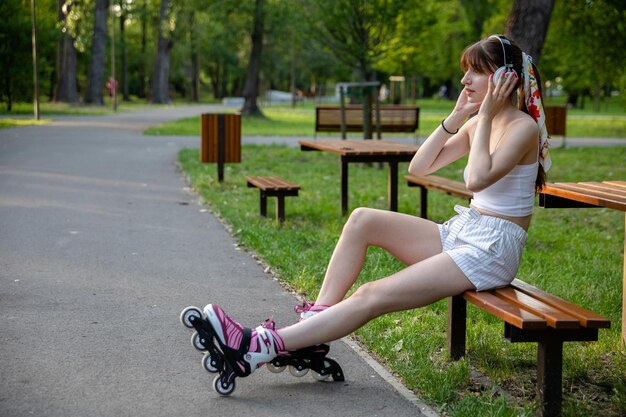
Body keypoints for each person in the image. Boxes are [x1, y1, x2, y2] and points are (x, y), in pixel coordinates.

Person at [201, 35, 552, 380]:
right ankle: (312, 329)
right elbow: (420, 166)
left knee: (372, 294)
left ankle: (256, 347)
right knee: (362, 220)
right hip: (466, 231)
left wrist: (487, 115)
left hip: (492, 250)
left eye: (475, 71)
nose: (464, 79)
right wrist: (457, 115)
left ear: (506, 77)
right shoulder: (476, 122)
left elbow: (477, 179)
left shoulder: (523, 129)